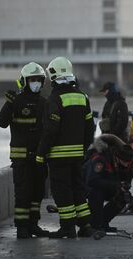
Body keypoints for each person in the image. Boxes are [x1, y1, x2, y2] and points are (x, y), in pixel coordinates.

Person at [36, 56, 103, 239]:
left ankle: (67, 228)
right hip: (77, 155)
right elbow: (90, 127)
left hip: (58, 156)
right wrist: (83, 148)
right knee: (78, 189)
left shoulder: (54, 99)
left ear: (53, 75)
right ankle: (85, 225)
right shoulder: (83, 97)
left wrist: (41, 153)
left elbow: (50, 130)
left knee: (62, 191)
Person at [0, 62, 49, 239]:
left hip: (39, 158)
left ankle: (34, 225)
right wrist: (8, 105)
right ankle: (22, 228)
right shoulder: (16, 101)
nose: (36, 83)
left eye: (39, 80)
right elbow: (1, 122)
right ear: (24, 81)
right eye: (33, 80)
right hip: (22, 159)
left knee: (37, 193)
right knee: (23, 194)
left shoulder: (44, 103)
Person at [83, 134, 133, 232]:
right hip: (89, 187)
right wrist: (117, 185)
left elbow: (127, 179)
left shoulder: (126, 161)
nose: (127, 164)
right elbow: (92, 180)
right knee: (96, 193)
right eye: (124, 162)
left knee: (124, 197)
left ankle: (104, 222)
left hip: (107, 186)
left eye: (128, 162)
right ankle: (95, 224)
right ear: (117, 157)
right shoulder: (100, 159)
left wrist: (125, 186)